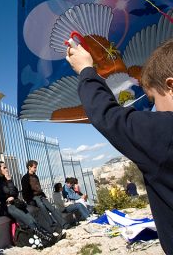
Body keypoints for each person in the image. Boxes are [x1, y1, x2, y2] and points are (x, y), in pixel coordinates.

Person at [66, 40, 173, 254]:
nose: (153, 109)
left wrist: (86, 69)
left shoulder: (166, 131)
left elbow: (108, 115)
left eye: (153, 99)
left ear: (170, 86)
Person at [0, 161, 58, 245]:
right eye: (4, 167)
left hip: (16, 203)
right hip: (7, 206)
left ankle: (50, 234)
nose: (7, 169)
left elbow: (15, 192)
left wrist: (9, 182)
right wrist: (8, 197)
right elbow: (0, 196)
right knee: (29, 220)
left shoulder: (7, 180)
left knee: (36, 212)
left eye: (6, 167)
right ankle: (46, 239)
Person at [21, 160, 69, 233]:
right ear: (29, 167)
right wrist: (30, 200)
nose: (35, 169)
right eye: (34, 167)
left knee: (52, 208)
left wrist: (43, 195)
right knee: (43, 208)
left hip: (41, 196)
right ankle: (53, 227)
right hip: (33, 197)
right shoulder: (25, 178)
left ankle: (64, 224)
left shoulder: (36, 176)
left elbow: (39, 188)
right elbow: (25, 192)